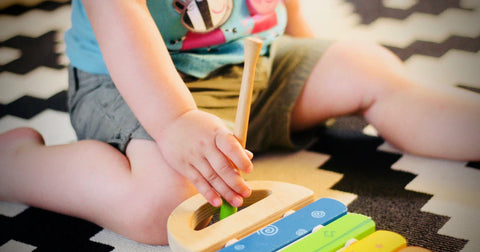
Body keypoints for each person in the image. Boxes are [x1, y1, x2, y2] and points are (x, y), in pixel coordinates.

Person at [0, 0, 479, 245]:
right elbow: (121, 22)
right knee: (164, 207)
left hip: (255, 62)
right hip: (135, 82)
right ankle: (21, 165)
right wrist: (176, 122)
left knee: (364, 63)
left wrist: (305, 49)